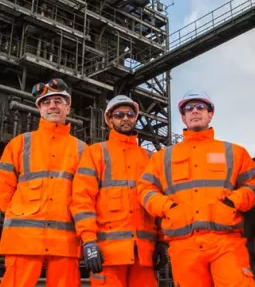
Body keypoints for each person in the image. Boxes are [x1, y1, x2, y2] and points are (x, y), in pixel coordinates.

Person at [137, 90, 255, 287]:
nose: (194, 111)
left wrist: (233, 202)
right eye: (189, 108)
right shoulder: (163, 157)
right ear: (183, 117)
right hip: (183, 245)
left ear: (210, 113)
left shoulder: (233, 152)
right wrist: (167, 208)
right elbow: (145, 189)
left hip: (226, 242)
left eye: (200, 107)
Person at [70, 95, 167, 287]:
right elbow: (82, 200)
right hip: (107, 256)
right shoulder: (96, 153)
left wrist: (163, 242)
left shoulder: (150, 158)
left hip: (144, 255)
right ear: (109, 119)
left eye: (130, 114)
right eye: (119, 114)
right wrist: (89, 241)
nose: (125, 118)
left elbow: (160, 203)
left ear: (135, 118)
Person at [0, 78, 86, 286]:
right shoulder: (20, 144)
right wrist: (19, 213)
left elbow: (86, 197)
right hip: (24, 241)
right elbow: (3, 189)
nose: (52, 106)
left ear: (68, 106)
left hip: (65, 244)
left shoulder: (83, 150)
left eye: (58, 101)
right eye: (46, 102)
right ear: (39, 109)